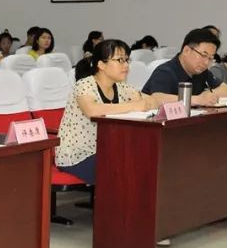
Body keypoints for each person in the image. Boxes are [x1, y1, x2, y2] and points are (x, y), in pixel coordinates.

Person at [58, 39, 158, 185]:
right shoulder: (84, 85)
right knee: (126, 168)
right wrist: (133, 105)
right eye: (120, 60)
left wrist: (142, 102)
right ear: (101, 64)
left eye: (127, 60)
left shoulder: (121, 87)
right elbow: (92, 110)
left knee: (146, 159)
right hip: (78, 155)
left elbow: (153, 102)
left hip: (108, 150)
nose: (126, 65)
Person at [142, 28, 227, 105]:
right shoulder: (165, 71)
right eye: (203, 55)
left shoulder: (202, 72)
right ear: (186, 51)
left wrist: (209, 95)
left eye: (210, 58)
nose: (206, 63)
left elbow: (226, 90)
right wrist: (198, 99)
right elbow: (157, 99)